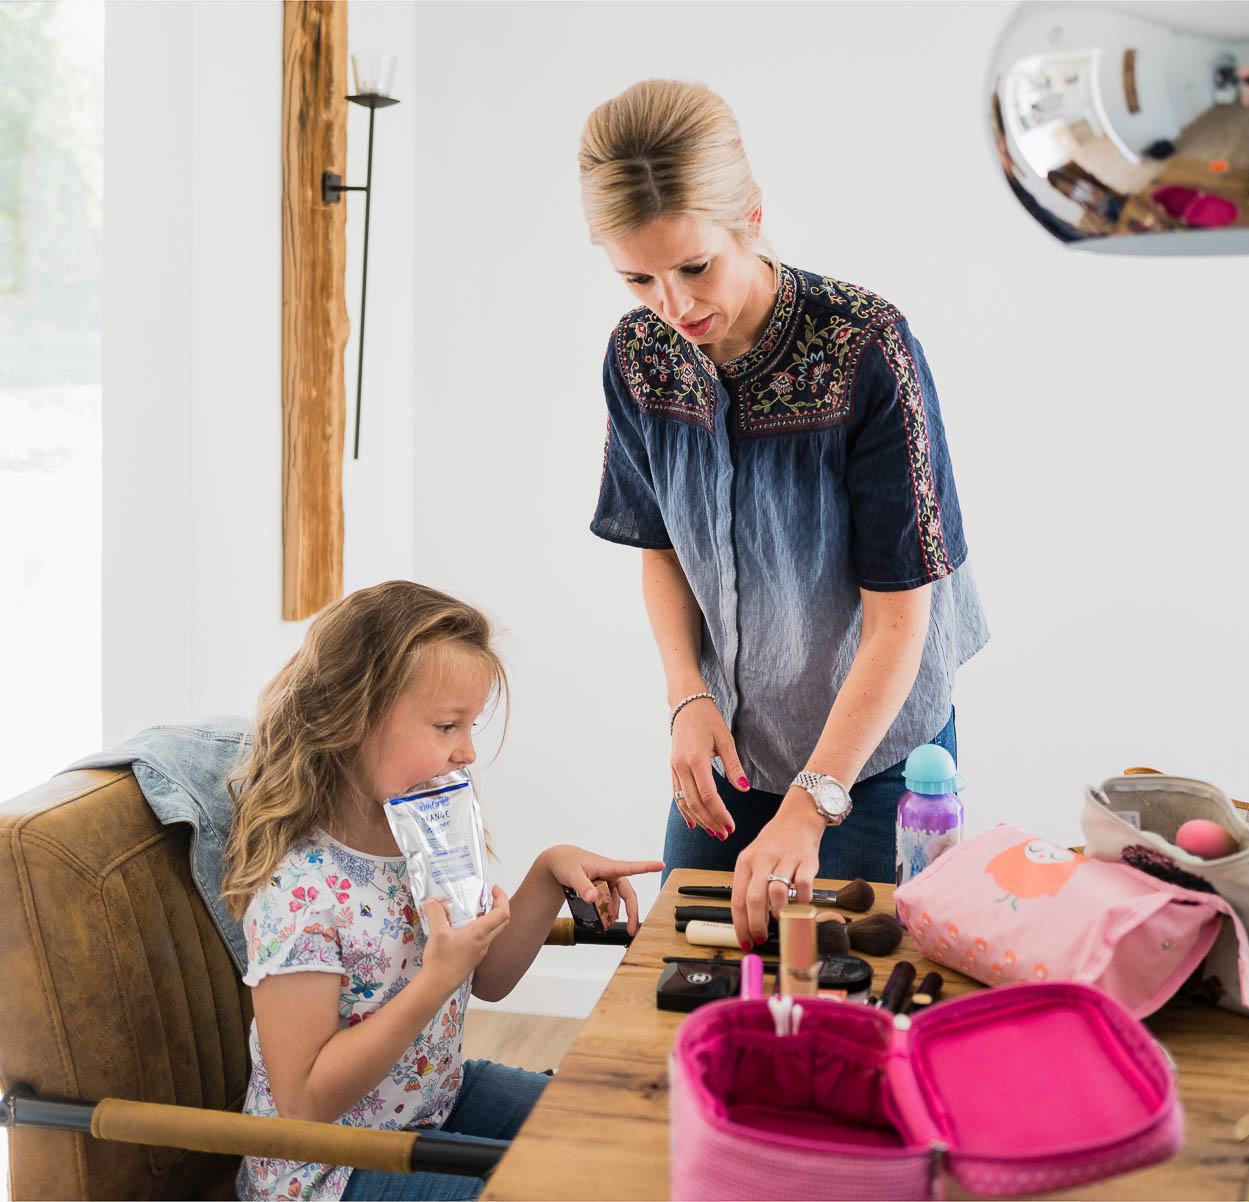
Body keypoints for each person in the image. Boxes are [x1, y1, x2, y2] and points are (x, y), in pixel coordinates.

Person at [578, 80, 989, 950]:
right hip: (729, 740)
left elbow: (898, 620)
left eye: (694, 267)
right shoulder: (639, 356)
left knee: (856, 997)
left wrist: (813, 804)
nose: (673, 305)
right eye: (637, 277)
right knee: (686, 983)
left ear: (752, 216)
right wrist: (686, 695)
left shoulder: (866, 349)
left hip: (875, 758)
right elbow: (655, 543)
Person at [220, 580, 663, 1201]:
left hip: (436, 1102)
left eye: (471, 724)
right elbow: (304, 1102)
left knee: (623, 1127)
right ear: (354, 718)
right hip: (327, 1170)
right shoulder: (299, 892)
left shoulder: (429, 835)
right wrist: (434, 980)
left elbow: (487, 978)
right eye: (447, 726)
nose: (469, 750)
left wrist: (546, 873)